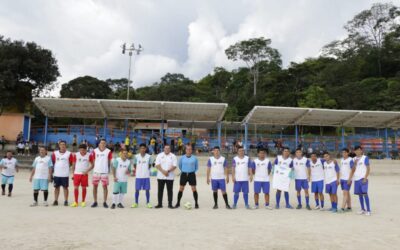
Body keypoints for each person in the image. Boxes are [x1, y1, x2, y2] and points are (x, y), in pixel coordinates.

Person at [88, 139, 113, 208]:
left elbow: (110, 162)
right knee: (95, 187)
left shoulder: (108, 151)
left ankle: (104, 202)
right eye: (101, 143)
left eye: (104, 143)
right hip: (96, 171)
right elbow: (92, 161)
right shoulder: (95, 151)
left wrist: (113, 172)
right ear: (99, 144)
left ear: (106, 144)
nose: (102, 144)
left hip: (104, 172)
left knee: (105, 187)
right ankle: (95, 201)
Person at [348, 146, 371, 216]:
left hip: (363, 178)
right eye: (356, 150)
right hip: (356, 179)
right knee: (360, 195)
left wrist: (365, 178)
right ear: (354, 151)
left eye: (359, 150)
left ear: (361, 150)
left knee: (365, 193)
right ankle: (362, 209)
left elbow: (368, 168)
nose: (358, 151)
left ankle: (369, 210)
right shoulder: (353, 159)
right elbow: (352, 170)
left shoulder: (365, 158)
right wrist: (350, 179)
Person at [175, 144, 199, 209]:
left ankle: (196, 203)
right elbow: (180, 166)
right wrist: (184, 170)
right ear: (185, 150)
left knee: (194, 188)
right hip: (184, 174)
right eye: (187, 149)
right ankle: (178, 203)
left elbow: (196, 167)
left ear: (191, 150)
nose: (188, 150)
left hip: (192, 174)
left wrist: (192, 171)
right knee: (181, 188)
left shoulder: (194, 158)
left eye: (190, 149)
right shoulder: (182, 158)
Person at [51, 140, 73, 206]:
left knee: (65, 188)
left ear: (65, 145)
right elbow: (52, 163)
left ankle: (66, 201)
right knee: (56, 188)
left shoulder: (69, 153)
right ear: (59, 145)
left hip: (65, 174)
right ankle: (56, 200)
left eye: (64, 144)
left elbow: (71, 163)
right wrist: (51, 173)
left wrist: (66, 167)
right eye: (61, 144)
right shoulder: (55, 153)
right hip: (57, 174)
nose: (62, 145)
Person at [154, 144, 177, 209]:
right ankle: (159, 204)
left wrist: (168, 171)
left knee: (170, 191)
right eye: (166, 148)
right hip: (160, 176)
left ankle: (170, 204)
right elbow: (157, 165)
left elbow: (174, 166)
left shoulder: (173, 156)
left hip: (170, 176)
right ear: (163, 149)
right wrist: (163, 171)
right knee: (160, 191)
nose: (167, 149)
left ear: (170, 149)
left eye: (168, 148)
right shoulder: (159, 155)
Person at [132, 143, 154, 208]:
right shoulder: (136, 156)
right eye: (141, 148)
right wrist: (138, 171)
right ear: (139, 149)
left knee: (147, 190)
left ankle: (148, 202)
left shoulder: (149, 156)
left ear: (145, 149)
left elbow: (149, 165)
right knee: (137, 190)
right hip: (138, 176)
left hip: (146, 176)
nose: (142, 149)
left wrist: (145, 170)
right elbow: (135, 165)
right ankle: (136, 203)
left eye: (144, 148)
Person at [339, 148, 354, 213]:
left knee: (345, 193)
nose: (344, 154)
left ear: (348, 153)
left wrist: (349, 178)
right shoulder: (341, 160)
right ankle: (349, 207)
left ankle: (342, 208)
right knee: (347, 193)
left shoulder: (350, 160)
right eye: (343, 152)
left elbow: (353, 169)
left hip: (347, 179)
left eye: (345, 152)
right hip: (342, 178)